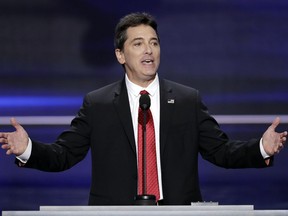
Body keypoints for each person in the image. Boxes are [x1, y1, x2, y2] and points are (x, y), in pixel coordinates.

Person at [0, 12, 287, 205]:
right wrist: (28, 149)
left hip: (176, 211)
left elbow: (221, 152)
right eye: (138, 44)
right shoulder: (98, 104)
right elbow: (64, 155)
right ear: (120, 54)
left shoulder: (187, 100)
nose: (149, 50)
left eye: (154, 43)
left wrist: (262, 146)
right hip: (114, 213)